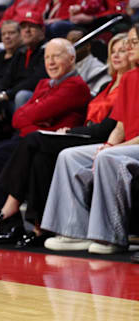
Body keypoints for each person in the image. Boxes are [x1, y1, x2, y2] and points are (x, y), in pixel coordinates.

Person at [0, 33, 129, 248]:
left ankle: (11, 205)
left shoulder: (112, 85)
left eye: (123, 50)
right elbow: (18, 118)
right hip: (85, 135)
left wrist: (70, 131)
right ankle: (41, 226)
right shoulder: (106, 86)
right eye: (113, 51)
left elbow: (109, 127)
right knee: (38, 155)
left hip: (96, 138)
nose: (117, 55)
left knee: (34, 140)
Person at [41, 31, 139, 255]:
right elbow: (120, 125)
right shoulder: (129, 78)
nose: (129, 46)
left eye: (133, 42)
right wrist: (110, 144)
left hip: (135, 145)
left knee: (107, 157)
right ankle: (74, 231)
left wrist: (114, 149)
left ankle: (110, 236)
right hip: (129, 144)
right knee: (69, 155)